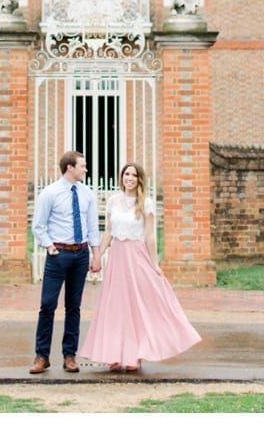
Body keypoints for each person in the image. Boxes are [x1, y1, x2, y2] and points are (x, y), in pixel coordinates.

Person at [80, 161, 201, 371]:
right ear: (122, 177)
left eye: (133, 175)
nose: (129, 178)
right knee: (116, 307)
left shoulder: (146, 203)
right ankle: (114, 354)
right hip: (117, 257)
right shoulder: (113, 201)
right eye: (126, 174)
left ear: (139, 179)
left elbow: (149, 235)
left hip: (137, 256)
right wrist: (98, 255)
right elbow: (108, 231)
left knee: (137, 305)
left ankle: (134, 354)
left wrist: (154, 264)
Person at [29, 150, 101, 374]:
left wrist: (96, 255)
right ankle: (42, 356)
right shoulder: (49, 193)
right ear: (70, 168)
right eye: (83, 166)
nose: (86, 170)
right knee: (48, 305)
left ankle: (69, 356)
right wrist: (50, 247)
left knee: (74, 307)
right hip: (58, 254)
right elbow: (38, 225)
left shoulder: (87, 193)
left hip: (80, 255)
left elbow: (92, 227)